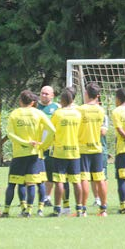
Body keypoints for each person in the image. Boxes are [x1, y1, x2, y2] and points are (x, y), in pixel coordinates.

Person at [1, 90, 55, 218]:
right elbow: (52, 130)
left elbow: (10, 134)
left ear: (20, 101)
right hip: (35, 153)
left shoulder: (14, 114)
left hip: (19, 154)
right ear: (32, 102)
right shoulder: (38, 113)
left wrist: (25, 142)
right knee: (34, 182)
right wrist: (43, 145)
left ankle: (6, 211)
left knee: (14, 183)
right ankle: (32, 210)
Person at [47, 89, 82, 217]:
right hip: (74, 151)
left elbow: (51, 130)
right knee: (76, 181)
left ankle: (57, 209)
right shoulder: (78, 114)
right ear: (72, 100)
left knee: (59, 181)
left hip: (60, 151)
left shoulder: (58, 114)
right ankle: (79, 209)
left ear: (62, 100)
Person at [77, 83, 108, 216]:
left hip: (83, 148)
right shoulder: (101, 110)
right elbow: (103, 131)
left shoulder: (80, 109)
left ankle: (83, 209)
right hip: (97, 148)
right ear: (98, 96)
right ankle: (103, 209)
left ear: (86, 94)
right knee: (100, 179)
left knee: (84, 179)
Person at [37, 86, 59, 210]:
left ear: (52, 95)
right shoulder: (35, 107)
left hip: (51, 145)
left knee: (50, 173)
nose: (44, 95)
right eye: (42, 93)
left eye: (46, 94)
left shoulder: (56, 108)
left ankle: (47, 197)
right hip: (37, 145)